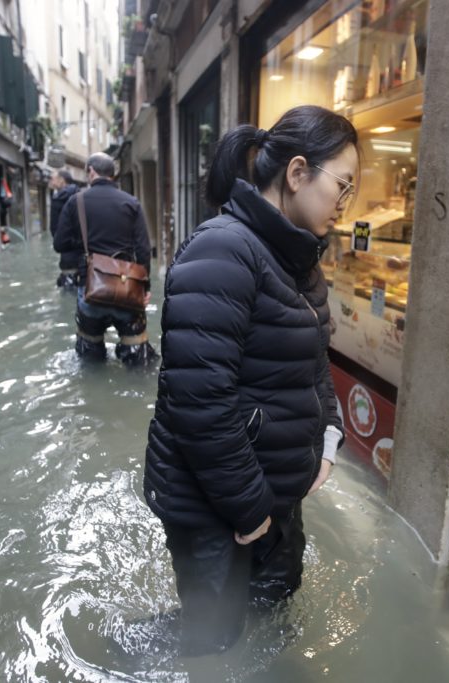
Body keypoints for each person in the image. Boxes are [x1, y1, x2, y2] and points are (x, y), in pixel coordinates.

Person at [143, 105, 355, 655]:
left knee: (274, 605)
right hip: (217, 503)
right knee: (213, 642)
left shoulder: (298, 260)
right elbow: (198, 402)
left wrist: (327, 439)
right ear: (298, 172)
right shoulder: (223, 249)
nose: (345, 204)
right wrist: (251, 508)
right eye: (343, 185)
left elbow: (312, 365)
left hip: (270, 494)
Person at [53, 153, 154, 365]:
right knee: (138, 356)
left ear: (91, 171)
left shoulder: (75, 202)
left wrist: (84, 244)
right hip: (127, 288)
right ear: (113, 174)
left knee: (89, 357)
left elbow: (59, 244)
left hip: (91, 288)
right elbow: (144, 250)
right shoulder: (131, 202)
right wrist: (145, 288)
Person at [49, 170, 80, 287]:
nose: (51, 181)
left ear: (62, 180)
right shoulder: (81, 195)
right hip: (84, 254)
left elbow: (55, 231)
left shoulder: (57, 199)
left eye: (53, 178)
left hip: (67, 255)